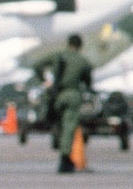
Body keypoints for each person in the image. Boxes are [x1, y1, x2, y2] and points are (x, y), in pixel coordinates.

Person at [35, 33, 94, 173]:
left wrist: (45, 81)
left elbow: (37, 65)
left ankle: (61, 147)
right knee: (69, 127)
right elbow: (88, 82)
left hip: (56, 95)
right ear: (80, 46)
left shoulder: (58, 56)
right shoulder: (82, 60)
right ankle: (65, 158)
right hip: (72, 95)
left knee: (58, 125)